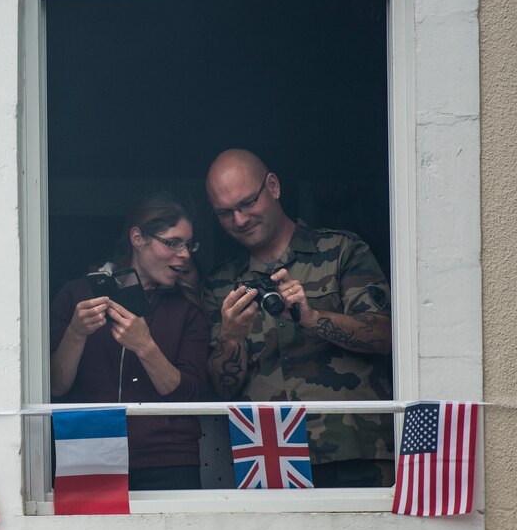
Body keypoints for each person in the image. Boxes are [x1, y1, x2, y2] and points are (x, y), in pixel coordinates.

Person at [202, 149, 395, 487]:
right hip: (267, 454)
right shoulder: (221, 283)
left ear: (273, 186)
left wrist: (312, 316)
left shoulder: (342, 251)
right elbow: (222, 389)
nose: (240, 220)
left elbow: (385, 336)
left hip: (355, 449)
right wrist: (231, 338)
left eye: (247, 203)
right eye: (225, 213)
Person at [50, 191, 211, 491]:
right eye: (173, 242)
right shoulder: (77, 295)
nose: (186, 254)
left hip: (168, 458)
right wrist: (75, 333)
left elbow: (192, 397)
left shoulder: (188, 308)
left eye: (189, 244)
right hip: (88, 451)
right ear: (138, 238)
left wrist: (145, 347)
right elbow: (56, 387)